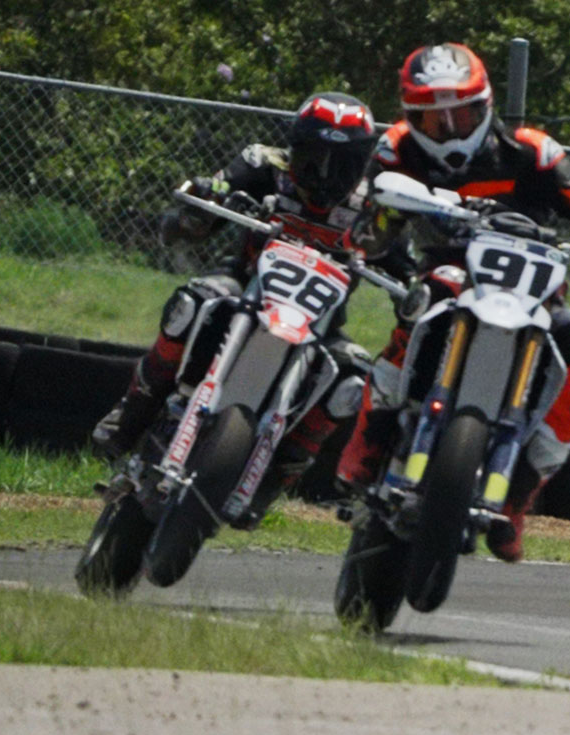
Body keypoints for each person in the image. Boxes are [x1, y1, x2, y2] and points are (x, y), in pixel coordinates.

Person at [336, 42, 570, 562]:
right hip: (452, 277)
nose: (450, 129)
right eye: (433, 120)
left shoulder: (533, 152)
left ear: (487, 106)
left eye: (462, 114)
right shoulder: (395, 149)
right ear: (410, 117)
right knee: (430, 293)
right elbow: (369, 225)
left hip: (536, 296)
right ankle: (371, 435)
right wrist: (376, 221)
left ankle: (520, 493)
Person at [92, 91, 402, 525]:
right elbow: (203, 206)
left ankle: (277, 474)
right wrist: (206, 200)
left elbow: (407, 269)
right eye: (313, 158)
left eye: (342, 163)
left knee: (353, 376)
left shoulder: (376, 206)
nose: (325, 174)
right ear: (293, 148)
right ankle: (134, 408)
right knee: (193, 301)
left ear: (363, 162)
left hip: (320, 324)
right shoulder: (263, 164)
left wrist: (415, 290)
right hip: (243, 286)